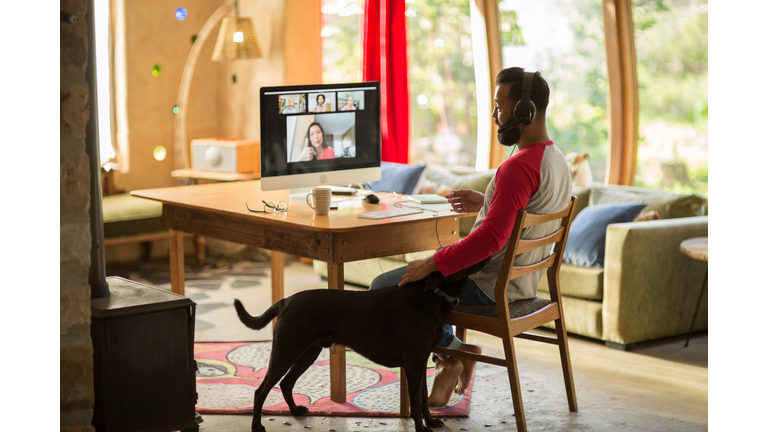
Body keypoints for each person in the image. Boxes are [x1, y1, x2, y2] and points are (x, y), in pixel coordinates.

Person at [368, 67, 572, 407]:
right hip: (524, 283)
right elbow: (525, 217)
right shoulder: (556, 160)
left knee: (384, 290)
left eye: (499, 106)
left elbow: (490, 241)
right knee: (405, 284)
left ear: (524, 111)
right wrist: (489, 203)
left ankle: (453, 356)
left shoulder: (518, 166)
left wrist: (432, 262)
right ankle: (456, 355)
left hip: (490, 286)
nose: (495, 114)